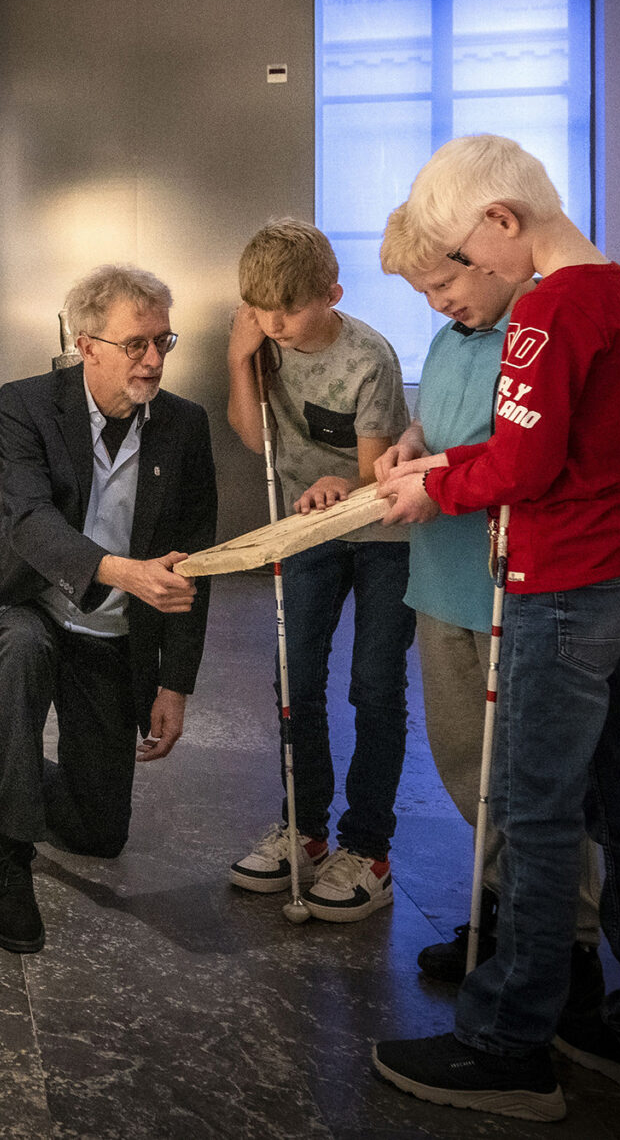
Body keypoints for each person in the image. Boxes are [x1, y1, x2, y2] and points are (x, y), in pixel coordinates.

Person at [371, 137, 620, 1121]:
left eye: (466, 251)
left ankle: (509, 1044)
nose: (474, 275)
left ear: (501, 223)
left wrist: (432, 488)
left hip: (560, 581)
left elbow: (521, 466)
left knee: (534, 809)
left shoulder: (547, 309)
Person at [0, 264, 218, 956]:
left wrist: (175, 682)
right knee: (21, 652)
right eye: (136, 343)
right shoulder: (26, 403)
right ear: (88, 344)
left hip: (112, 632)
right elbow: (30, 520)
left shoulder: (183, 426)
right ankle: (10, 858)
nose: (154, 358)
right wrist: (122, 571)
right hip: (30, 602)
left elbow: (196, 560)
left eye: (164, 340)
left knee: (99, 832)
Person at [375, 206, 604, 1006]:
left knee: (531, 778)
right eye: (424, 292)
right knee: (467, 763)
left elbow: (518, 457)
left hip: (514, 585)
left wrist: (438, 472)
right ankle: (503, 911)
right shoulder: (447, 341)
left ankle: (565, 938)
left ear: (486, 255)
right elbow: (440, 425)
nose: (437, 302)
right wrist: (409, 442)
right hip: (441, 579)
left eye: (444, 281)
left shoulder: (535, 335)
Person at [221, 220, 413, 922]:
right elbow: (253, 436)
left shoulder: (371, 358)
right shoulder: (264, 341)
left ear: (331, 294)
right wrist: (241, 359)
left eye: (290, 311)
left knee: (373, 683)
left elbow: (374, 475)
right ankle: (303, 830)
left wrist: (339, 481)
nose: (275, 324)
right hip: (307, 527)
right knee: (295, 676)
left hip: (380, 528)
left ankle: (369, 846)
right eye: (261, 312)